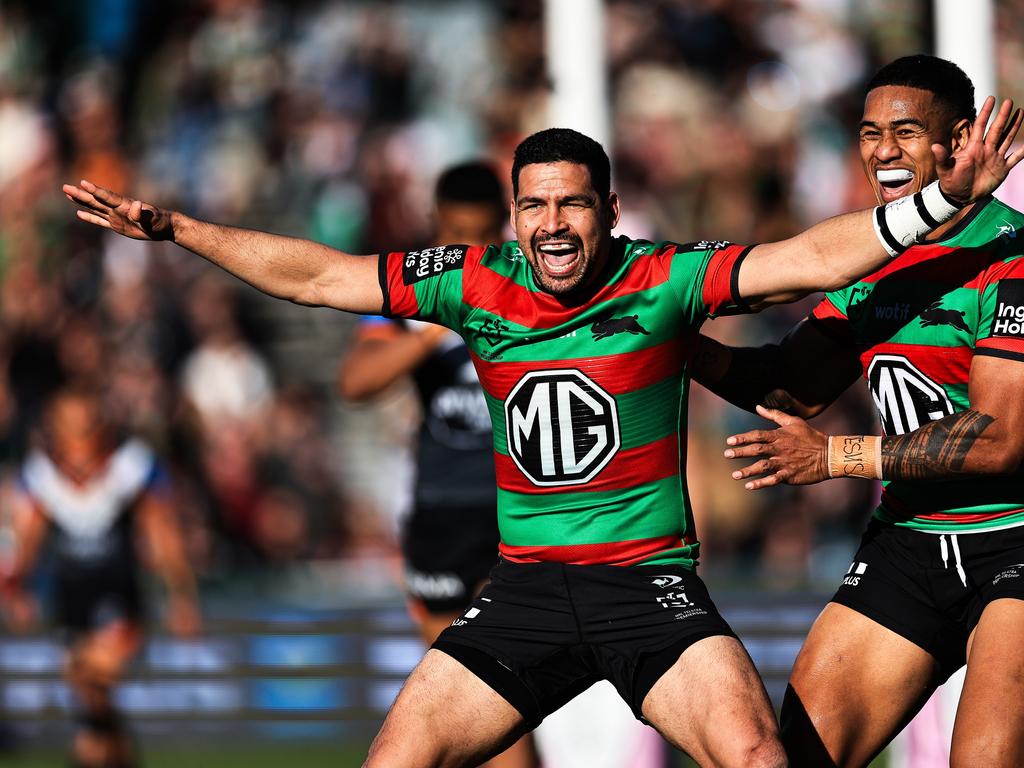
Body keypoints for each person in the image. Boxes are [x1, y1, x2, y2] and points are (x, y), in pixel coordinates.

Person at [61, 100, 1020, 767]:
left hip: (649, 592)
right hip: (523, 591)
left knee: (760, 755)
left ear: (609, 212)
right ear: (514, 217)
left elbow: (810, 256)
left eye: (573, 204)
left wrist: (945, 202)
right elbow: (319, 277)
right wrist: (179, 228)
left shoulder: (665, 276)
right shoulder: (472, 283)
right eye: (535, 206)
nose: (553, 225)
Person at [690, 55, 1024, 767]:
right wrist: (674, 344)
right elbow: (789, 388)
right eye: (870, 132)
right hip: (910, 541)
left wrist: (836, 457)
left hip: (1015, 541)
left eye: (905, 131)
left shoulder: (1014, 256)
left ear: (959, 140)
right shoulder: (873, 259)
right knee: (801, 753)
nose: (881, 151)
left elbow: (1000, 440)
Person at [339, 161, 537, 768]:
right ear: (435, 226)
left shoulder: (529, 290)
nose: (467, 250)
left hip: (514, 509)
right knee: (454, 693)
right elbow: (357, 381)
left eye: (479, 237)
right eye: (456, 236)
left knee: (496, 691)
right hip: (439, 514)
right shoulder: (412, 295)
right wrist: (434, 331)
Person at [0, 384, 200, 768]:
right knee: (94, 718)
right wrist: (17, 590)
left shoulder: (132, 466)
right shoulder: (41, 474)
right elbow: (27, 542)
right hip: (70, 602)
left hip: (118, 599)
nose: (78, 436)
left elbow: (164, 535)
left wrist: (181, 596)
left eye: (86, 424)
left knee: (94, 677)